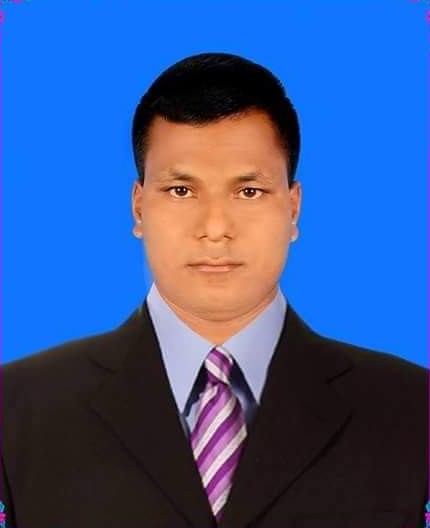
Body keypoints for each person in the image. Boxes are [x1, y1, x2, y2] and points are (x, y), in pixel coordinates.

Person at [1, 52, 427, 528]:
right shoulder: (17, 409)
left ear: (293, 208)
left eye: (249, 191)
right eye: (181, 191)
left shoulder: (411, 409)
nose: (216, 228)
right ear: (139, 208)